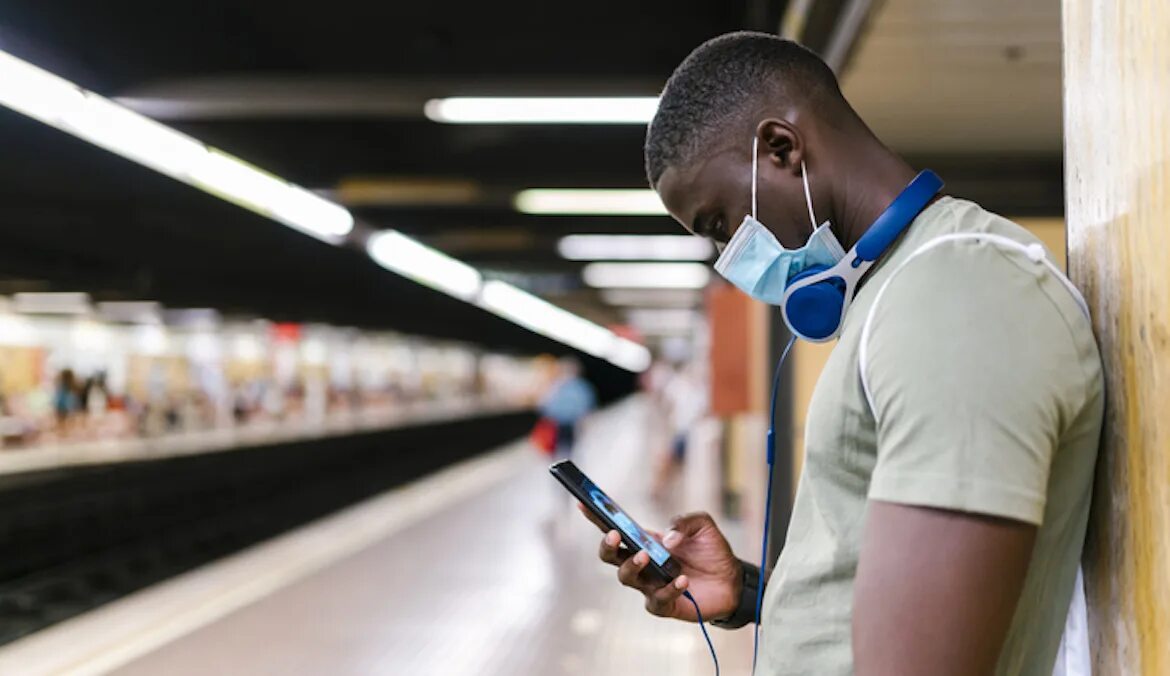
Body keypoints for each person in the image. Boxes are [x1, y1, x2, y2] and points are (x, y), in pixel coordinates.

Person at [581, 32, 1103, 676]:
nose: (730, 258)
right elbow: (916, 593)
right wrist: (749, 592)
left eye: (722, 225)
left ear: (781, 148)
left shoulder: (959, 292)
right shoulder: (897, 290)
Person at [538, 357, 597, 459]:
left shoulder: (578, 386)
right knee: (562, 446)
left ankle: (566, 463)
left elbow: (544, 405)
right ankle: (564, 462)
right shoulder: (557, 386)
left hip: (570, 423)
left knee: (569, 446)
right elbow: (544, 404)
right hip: (558, 423)